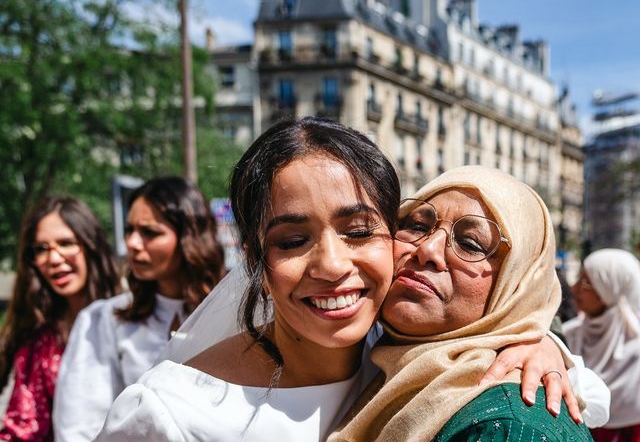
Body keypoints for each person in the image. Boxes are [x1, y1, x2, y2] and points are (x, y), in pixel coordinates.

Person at [96, 119, 592, 441]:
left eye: (358, 231)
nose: (332, 265)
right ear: (256, 262)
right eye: (292, 241)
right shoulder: (170, 413)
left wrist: (540, 344)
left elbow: (585, 397)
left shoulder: (402, 356)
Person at [329, 165, 605, 441]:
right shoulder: (360, 351)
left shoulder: (511, 426)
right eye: (416, 226)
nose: (427, 249)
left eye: (471, 244)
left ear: (516, 287)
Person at [53, 176, 225, 442]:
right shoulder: (104, 319)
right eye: (130, 230)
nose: (132, 243)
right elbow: (79, 425)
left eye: (150, 232)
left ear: (190, 237)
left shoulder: (235, 315)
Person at [0, 197, 118, 441]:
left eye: (66, 243)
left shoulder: (132, 319)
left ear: (91, 245)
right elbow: (24, 426)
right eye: (41, 249)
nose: (53, 258)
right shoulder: (40, 339)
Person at [564, 249, 640, 442]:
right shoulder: (566, 336)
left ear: (610, 289)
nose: (575, 288)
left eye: (586, 282)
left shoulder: (636, 352)